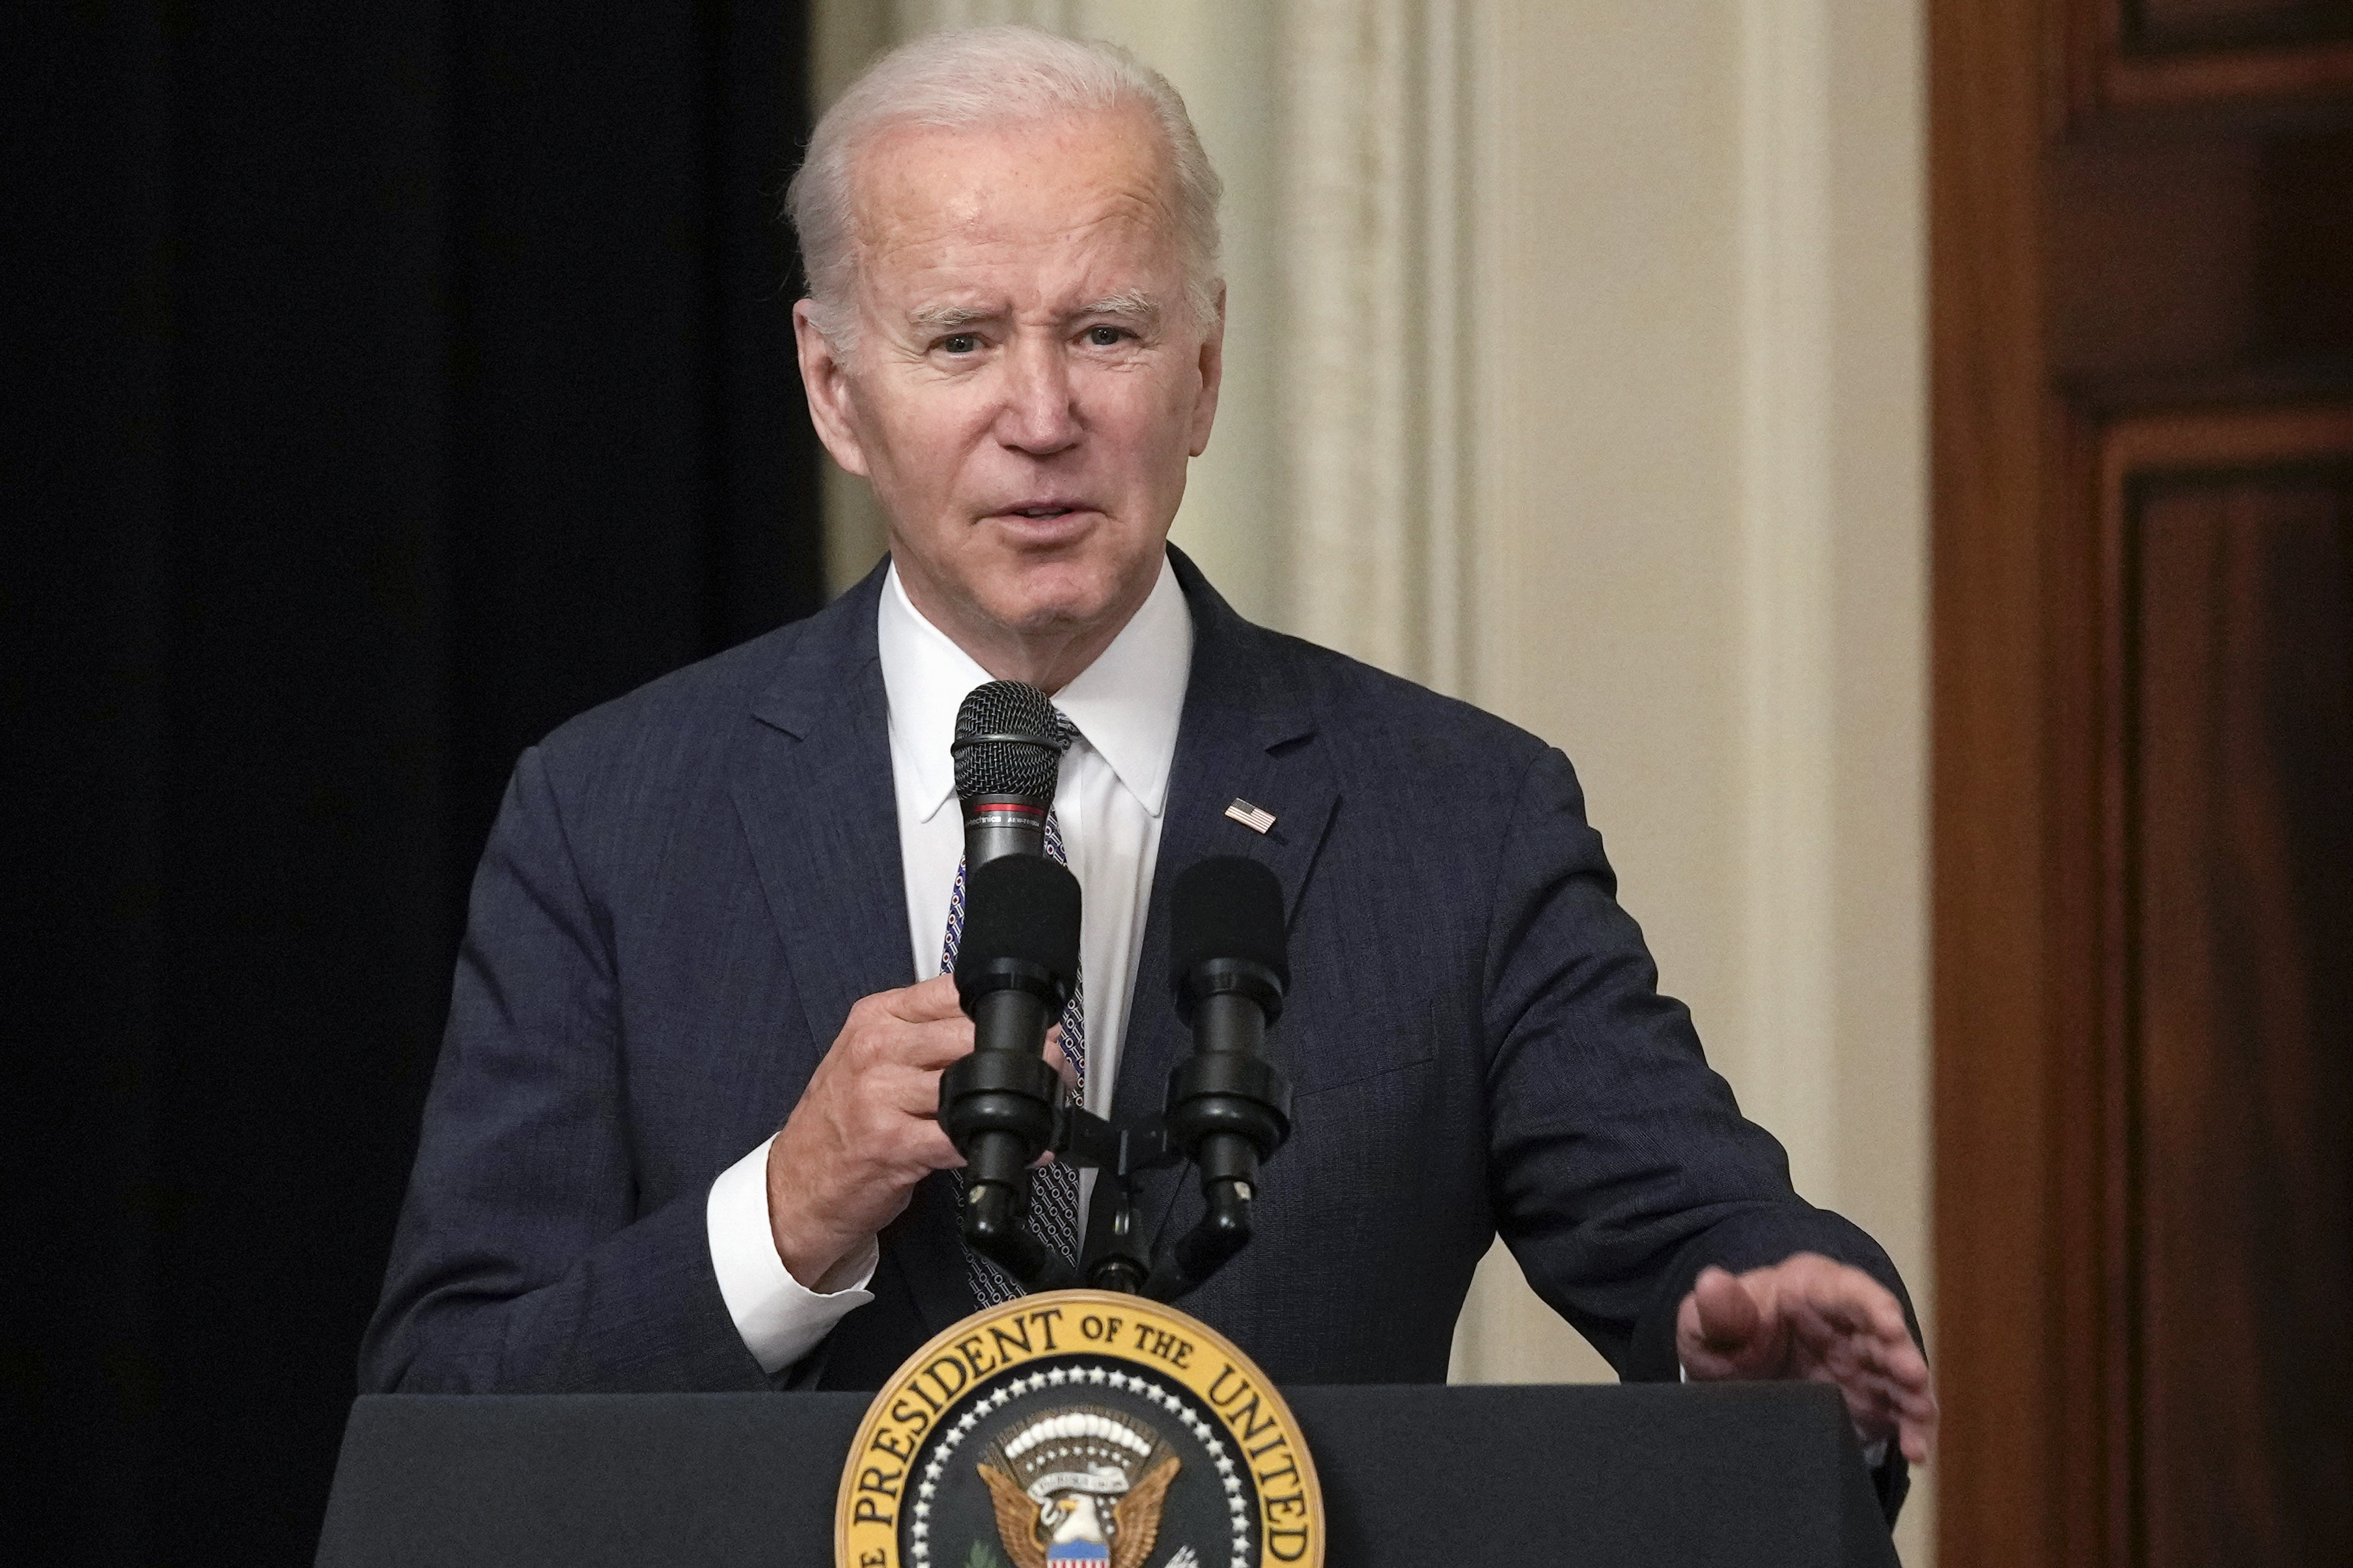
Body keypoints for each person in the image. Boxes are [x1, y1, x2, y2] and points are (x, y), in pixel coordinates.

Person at [361, 23, 1935, 1513]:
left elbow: (1705, 1239)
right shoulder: (613, 816)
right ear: (836, 390)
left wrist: (1781, 1343)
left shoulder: (1455, 815)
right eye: (962, 339)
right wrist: (782, 1213)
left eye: (1105, 332)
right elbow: (444, 1420)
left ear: (1202, 370)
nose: (1040, 416)